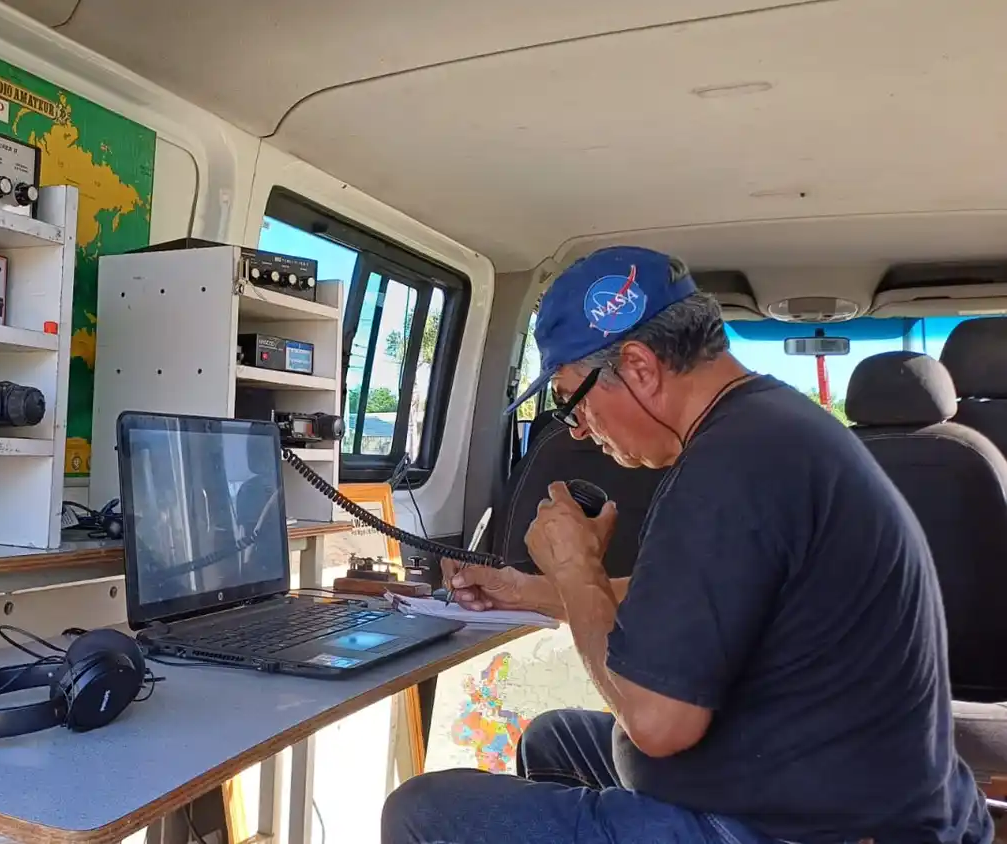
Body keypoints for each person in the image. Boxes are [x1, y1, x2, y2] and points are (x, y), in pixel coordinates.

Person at [381, 246, 993, 844]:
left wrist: (577, 570)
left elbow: (656, 725)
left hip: (813, 826)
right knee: (554, 738)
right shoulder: (765, 429)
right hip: (829, 781)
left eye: (573, 401)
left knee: (425, 811)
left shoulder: (730, 468)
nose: (580, 430)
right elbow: (686, 601)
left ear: (640, 368)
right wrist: (525, 591)